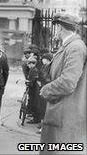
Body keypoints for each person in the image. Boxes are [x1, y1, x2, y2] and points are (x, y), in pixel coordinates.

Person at [39, 12, 86, 154]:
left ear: (61, 28)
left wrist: (45, 90)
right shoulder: (69, 46)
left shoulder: (75, 47)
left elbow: (68, 82)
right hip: (60, 113)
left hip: (65, 116)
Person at [36, 52, 52, 134]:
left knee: (45, 108)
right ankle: (42, 125)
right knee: (42, 108)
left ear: (47, 59)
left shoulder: (50, 67)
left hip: (46, 88)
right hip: (42, 87)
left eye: (44, 59)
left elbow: (47, 78)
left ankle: (44, 127)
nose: (42, 60)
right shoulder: (44, 66)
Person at [25, 56, 41, 124]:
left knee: (34, 103)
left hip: (34, 90)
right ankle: (35, 117)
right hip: (33, 89)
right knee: (33, 102)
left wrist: (28, 82)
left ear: (32, 64)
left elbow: (33, 80)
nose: (28, 65)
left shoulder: (34, 70)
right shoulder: (33, 69)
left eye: (29, 64)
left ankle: (35, 119)